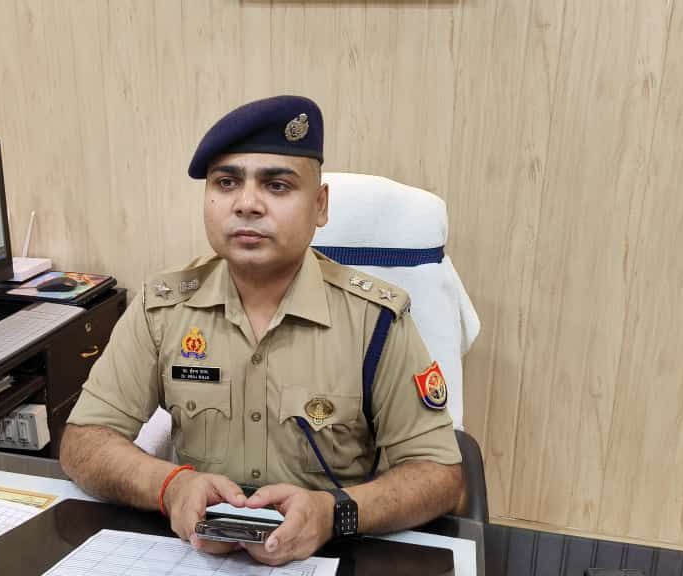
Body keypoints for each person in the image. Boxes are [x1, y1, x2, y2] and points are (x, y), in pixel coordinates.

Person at [60, 95, 463, 566]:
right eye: (226, 182)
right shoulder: (163, 308)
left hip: (330, 557)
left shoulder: (374, 320)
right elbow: (84, 442)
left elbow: (441, 475)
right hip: (194, 556)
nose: (247, 204)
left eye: (276, 185)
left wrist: (333, 514)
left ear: (319, 205)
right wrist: (171, 487)